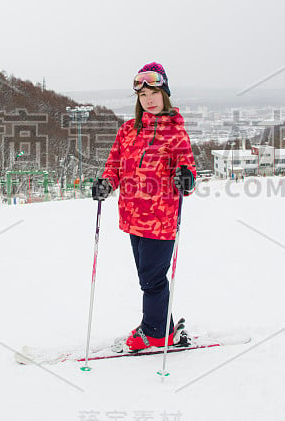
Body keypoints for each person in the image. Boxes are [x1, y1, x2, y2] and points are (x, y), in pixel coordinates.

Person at [91, 62, 196, 351]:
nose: (148, 99)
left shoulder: (175, 132)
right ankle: (165, 325)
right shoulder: (127, 131)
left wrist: (186, 177)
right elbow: (114, 165)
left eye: (154, 92)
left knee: (151, 280)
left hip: (161, 218)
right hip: (132, 216)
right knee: (149, 277)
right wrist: (106, 183)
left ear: (165, 94)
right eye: (143, 95)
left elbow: (188, 168)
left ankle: (155, 332)